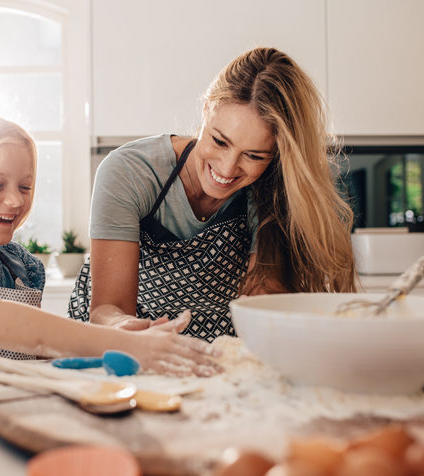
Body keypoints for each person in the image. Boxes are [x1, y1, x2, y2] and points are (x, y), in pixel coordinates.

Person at [0, 114, 221, 377]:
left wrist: (117, 336)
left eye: (26, 186)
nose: (15, 199)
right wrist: (126, 344)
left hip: (4, 419)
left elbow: (33, 348)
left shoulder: (22, 270)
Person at [68, 47, 357, 341]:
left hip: (218, 343)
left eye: (254, 156)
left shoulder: (272, 190)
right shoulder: (130, 172)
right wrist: (128, 331)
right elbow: (108, 308)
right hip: (115, 341)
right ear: (207, 109)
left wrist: (267, 317)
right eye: (220, 141)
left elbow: (263, 295)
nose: (227, 168)